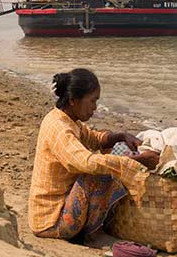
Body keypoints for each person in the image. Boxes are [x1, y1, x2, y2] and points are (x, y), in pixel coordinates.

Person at [29, 68, 159, 242]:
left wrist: (120, 136)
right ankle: (94, 235)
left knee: (112, 159)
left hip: (60, 208)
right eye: (92, 101)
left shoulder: (68, 120)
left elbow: (93, 138)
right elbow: (86, 162)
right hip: (51, 220)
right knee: (101, 174)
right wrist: (134, 161)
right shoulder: (59, 128)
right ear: (74, 100)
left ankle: (93, 228)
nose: (95, 108)